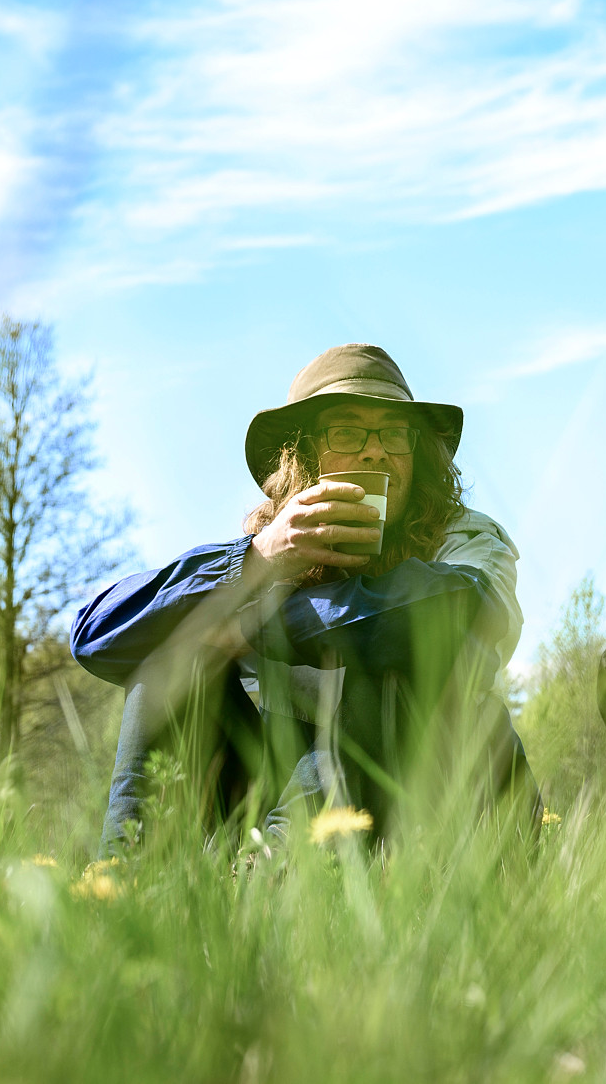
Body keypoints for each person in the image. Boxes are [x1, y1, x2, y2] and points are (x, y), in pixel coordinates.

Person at [71, 343, 535, 852]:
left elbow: (455, 610)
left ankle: (281, 875)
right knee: (174, 648)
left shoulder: (468, 539)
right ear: (302, 453)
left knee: (389, 654)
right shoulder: (267, 556)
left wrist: (251, 627)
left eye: (395, 433)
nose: (375, 450)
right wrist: (259, 560)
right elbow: (97, 637)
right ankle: (125, 884)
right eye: (347, 431)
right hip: (269, 801)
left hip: (443, 819)